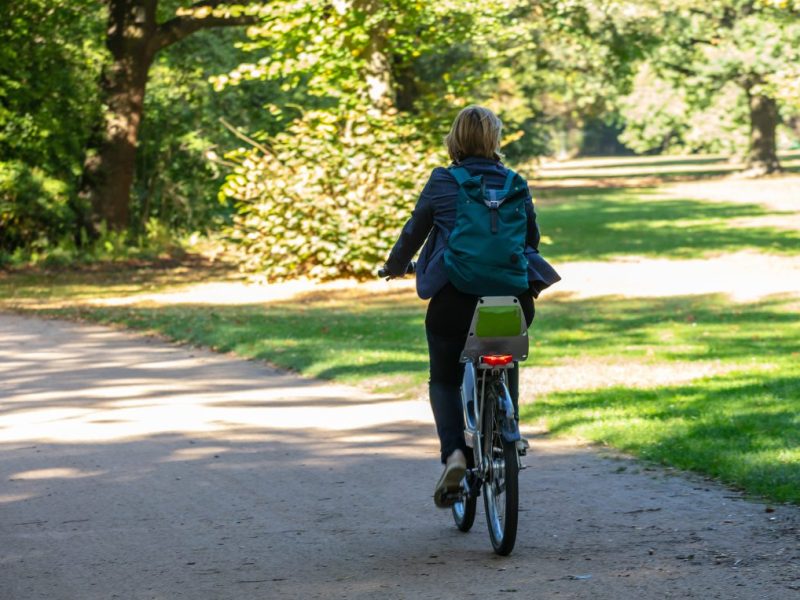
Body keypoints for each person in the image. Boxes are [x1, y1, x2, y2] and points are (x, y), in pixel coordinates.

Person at [382, 105, 560, 508]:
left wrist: (395, 267)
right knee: (505, 357)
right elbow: (530, 240)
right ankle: (506, 423)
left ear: (455, 140)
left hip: (455, 303)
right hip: (513, 301)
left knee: (444, 378)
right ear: (494, 140)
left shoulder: (444, 181)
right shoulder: (515, 182)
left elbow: (414, 233)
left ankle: (456, 454)